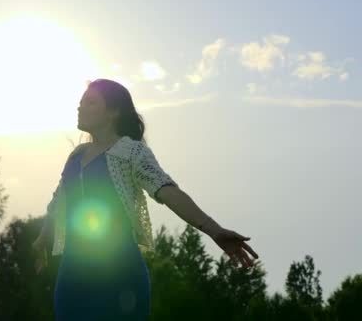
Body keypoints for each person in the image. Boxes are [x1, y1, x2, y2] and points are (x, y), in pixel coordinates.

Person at [32, 78, 259, 320]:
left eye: (90, 102)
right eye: (80, 102)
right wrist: (41, 241)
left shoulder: (131, 152)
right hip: (72, 279)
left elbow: (167, 190)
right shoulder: (75, 157)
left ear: (113, 112)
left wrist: (214, 230)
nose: (80, 107)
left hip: (119, 277)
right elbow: (58, 204)